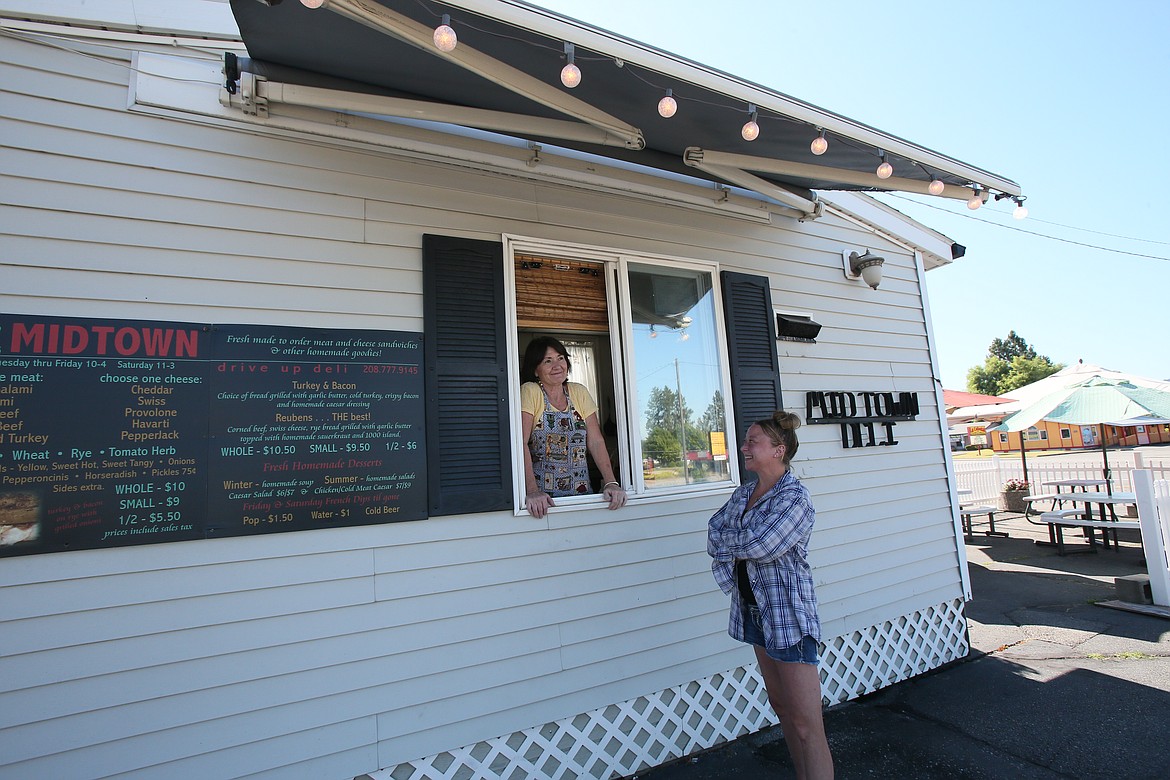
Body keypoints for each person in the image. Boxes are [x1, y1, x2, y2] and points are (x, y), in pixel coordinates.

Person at [707, 411, 833, 780]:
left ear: (778, 450)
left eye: (753, 442)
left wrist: (737, 542)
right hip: (753, 609)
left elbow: (763, 544)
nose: (744, 447)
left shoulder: (795, 498)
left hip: (786, 615)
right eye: (746, 441)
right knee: (781, 708)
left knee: (807, 723)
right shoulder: (745, 493)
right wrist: (740, 543)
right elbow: (714, 533)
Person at [520, 336, 626, 519]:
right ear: (535, 370)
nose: (557, 365)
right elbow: (519, 444)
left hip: (581, 493)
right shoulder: (531, 391)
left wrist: (611, 482)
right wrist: (532, 491)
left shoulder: (578, 392)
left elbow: (596, 441)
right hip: (543, 501)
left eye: (560, 358)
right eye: (547, 361)